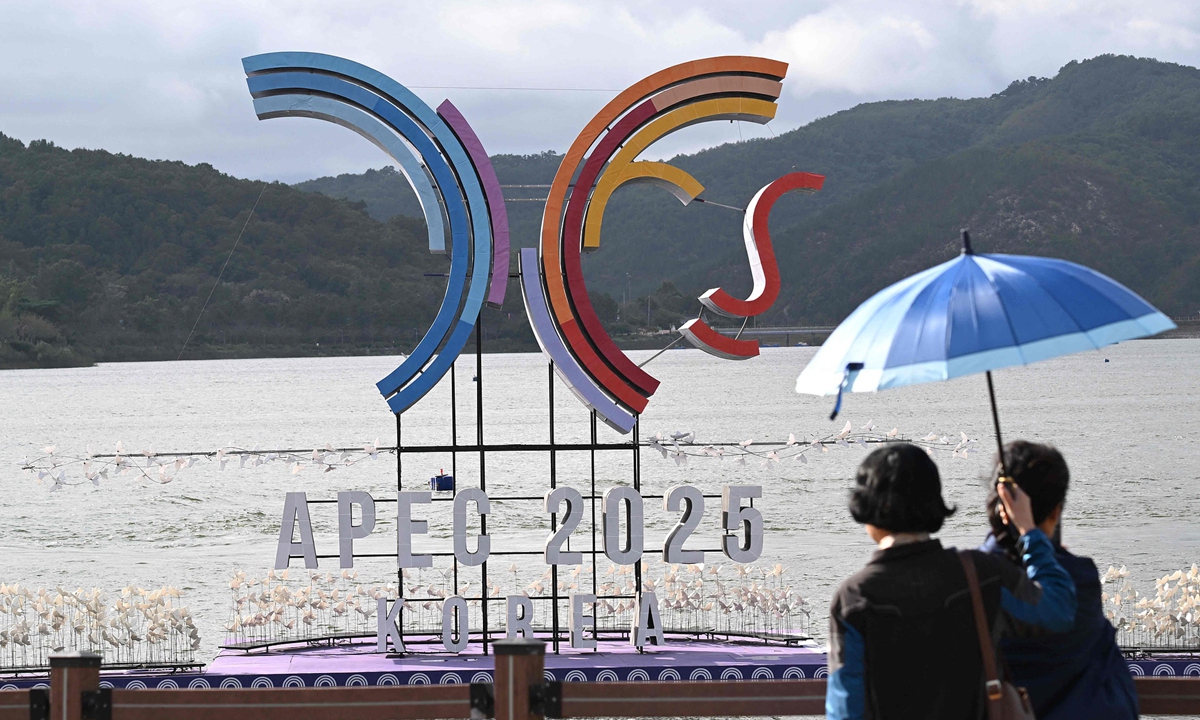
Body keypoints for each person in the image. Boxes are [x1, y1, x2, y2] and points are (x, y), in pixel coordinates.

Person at [826, 443, 1077, 720]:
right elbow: (1057, 611)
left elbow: (846, 709)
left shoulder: (853, 598)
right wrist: (1029, 531)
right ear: (935, 501)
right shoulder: (981, 573)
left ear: (865, 508)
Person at [981, 441, 1138, 719]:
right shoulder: (1080, 578)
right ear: (1056, 511)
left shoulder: (975, 580)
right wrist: (1033, 534)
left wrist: (1004, 533)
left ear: (999, 505)